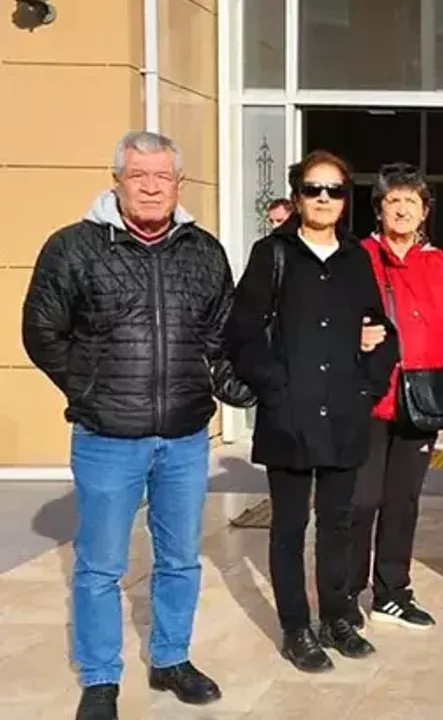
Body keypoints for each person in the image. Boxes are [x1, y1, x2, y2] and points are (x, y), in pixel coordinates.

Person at [22, 131, 252, 720]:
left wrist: (250, 390)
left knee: (180, 559)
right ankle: (101, 677)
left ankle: (171, 658)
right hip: (106, 439)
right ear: (117, 181)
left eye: (162, 177)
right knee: (101, 565)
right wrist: (90, 389)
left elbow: (220, 339)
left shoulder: (204, 251)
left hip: (184, 437)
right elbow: (42, 331)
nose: (151, 187)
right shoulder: (73, 247)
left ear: (179, 184)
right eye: (138, 176)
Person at [226, 150, 398, 673]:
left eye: (334, 191)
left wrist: (368, 384)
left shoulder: (356, 258)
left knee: (339, 522)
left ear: (346, 200)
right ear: (298, 196)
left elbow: (380, 329)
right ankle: (296, 626)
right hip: (289, 417)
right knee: (289, 526)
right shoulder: (272, 254)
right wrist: (277, 387)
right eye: (313, 189)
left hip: (344, 412)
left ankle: (337, 617)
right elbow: (242, 335)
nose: (324, 199)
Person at [348, 164, 443, 629]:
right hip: (367, 400)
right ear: (378, 209)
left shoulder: (442, 266)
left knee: (403, 502)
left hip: (420, 402)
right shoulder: (356, 258)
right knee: (360, 501)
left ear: (425, 211)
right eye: (393, 200)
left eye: (411, 201)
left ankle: (392, 592)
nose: (402, 209)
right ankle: (346, 593)